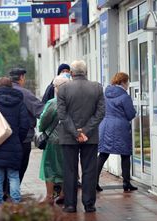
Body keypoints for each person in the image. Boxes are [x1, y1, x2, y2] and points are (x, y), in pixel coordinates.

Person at [57, 60, 104, 213]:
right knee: (89, 170)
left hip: (69, 137)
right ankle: (89, 204)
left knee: (70, 170)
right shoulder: (97, 88)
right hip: (90, 137)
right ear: (86, 71)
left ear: (71, 73)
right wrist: (85, 132)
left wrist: (76, 133)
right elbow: (100, 113)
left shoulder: (63, 89)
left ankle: (70, 205)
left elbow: (62, 115)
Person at [0, 77, 29, 205]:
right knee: (13, 176)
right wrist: (17, 139)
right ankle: (16, 202)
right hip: (14, 146)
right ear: (11, 87)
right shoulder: (20, 103)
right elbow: (25, 125)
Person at [97, 72, 138, 192]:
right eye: (127, 82)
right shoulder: (125, 96)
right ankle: (126, 183)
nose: (128, 84)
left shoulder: (105, 94)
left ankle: (94, 181)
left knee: (103, 153)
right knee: (125, 154)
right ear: (123, 82)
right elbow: (130, 114)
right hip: (120, 127)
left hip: (105, 125)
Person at [38, 75, 71, 205]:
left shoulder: (53, 103)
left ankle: (49, 196)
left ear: (57, 88)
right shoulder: (72, 102)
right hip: (69, 139)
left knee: (49, 167)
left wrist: (42, 128)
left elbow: (43, 122)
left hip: (53, 140)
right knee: (65, 166)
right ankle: (63, 193)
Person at [9, 67, 44, 184]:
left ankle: (6, 192)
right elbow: (41, 110)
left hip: (4, 137)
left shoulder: (2, 92)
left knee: (7, 167)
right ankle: (13, 192)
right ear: (21, 78)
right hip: (24, 138)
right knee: (21, 166)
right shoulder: (25, 93)